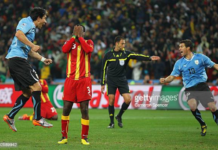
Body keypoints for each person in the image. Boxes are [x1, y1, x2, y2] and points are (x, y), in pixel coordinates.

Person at [3, 7, 53, 132]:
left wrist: (42, 59)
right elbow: (18, 34)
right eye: (45, 18)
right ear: (39, 18)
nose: (45, 22)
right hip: (18, 60)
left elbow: (29, 50)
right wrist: (32, 45)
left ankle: (10, 117)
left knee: (27, 93)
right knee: (37, 87)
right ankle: (37, 118)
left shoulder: (31, 30)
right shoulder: (27, 22)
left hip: (15, 61)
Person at [160, 39, 218, 136]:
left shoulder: (200, 57)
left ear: (188, 48)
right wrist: (165, 80)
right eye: (179, 47)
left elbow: (214, 64)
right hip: (190, 87)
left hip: (202, 85)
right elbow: (172, 76)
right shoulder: (179, 63)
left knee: (212, 107)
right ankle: (203, 124)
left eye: (181, 46)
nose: (179, 49)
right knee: (192, 106)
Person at [100, 36, 160, 128]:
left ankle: (119, 116)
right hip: (111, 80)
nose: (124, 45)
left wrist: (149, 58)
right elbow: (103, 69)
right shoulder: (108, 55)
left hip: (122, 80)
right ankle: (111, 123)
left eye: (124, 43)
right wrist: (102, 83)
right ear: (116, 43)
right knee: (111, 100)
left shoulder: (126, 54)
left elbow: (137, 56)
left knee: (128, 100)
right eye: (122, 43)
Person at [57, 25, 93, 145]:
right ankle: (64, 137)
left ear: (84, 32)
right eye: (75, 31)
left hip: (84, 80)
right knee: (66, 108)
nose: (77, 32)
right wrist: (73, 37)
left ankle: (84, 137)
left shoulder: (88, 42)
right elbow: (64, 49)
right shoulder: (69, 42)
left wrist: (80, 37)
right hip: (70, 80)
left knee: (84, 109)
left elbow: (88, 50)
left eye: (80, 31)